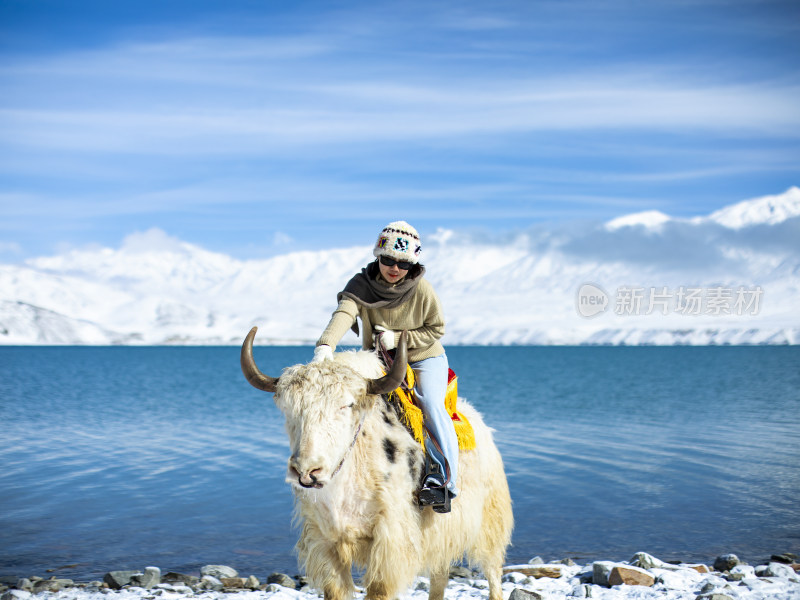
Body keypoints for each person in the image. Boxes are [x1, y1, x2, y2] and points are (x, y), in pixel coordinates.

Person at [313, 221, 458, 512]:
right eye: (388, 259)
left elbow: (436, 329)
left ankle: (445, 481)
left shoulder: (422, 290)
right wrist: (325, 345)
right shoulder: (361, 285)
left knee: (429, 402)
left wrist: (400, 339)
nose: (394, 268)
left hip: (423, 357)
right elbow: (345, 312)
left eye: (403, 263)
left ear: (413, 263)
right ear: (377, 255)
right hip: (379, 359)